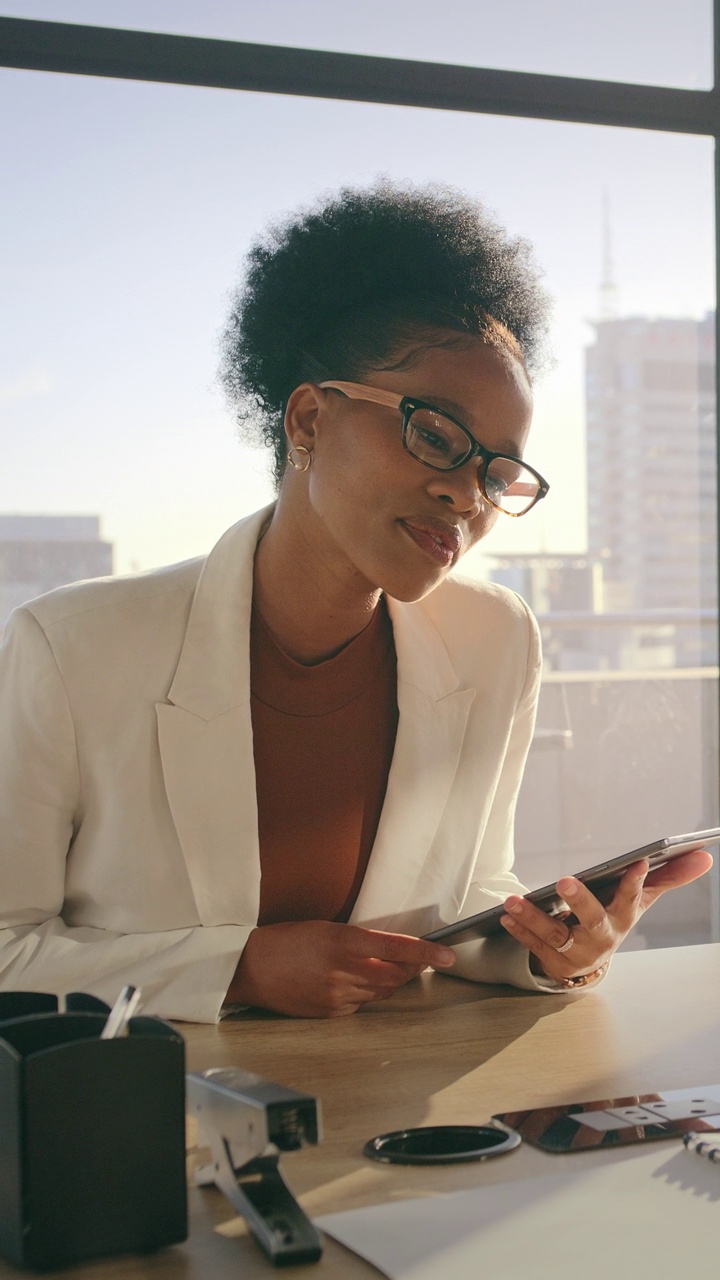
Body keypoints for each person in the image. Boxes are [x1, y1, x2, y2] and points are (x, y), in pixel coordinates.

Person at [0, 182, 711, 1022]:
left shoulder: (494, 637)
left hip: (392, 1108)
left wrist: (554, 951)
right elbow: (10, 948)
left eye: (496, 472)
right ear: (308, 419)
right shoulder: (71, 646)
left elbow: (466, 893)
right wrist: (240, 971)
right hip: (153, 1121)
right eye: (436, 436)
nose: (466, 497)